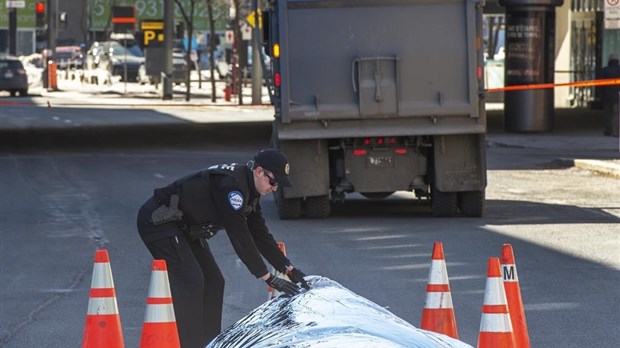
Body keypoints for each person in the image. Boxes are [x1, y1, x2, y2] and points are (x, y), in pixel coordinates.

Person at [136, 149, 310, 348]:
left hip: (185, 228)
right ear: (259, 171)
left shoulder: (249, 192)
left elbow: (259, 233)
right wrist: (267, 277)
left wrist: (288, 267)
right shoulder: (231, 187)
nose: (275, 188)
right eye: (273, 182)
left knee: (214, 281)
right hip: (159, 222)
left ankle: (211, 343)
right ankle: (190, 344)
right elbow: (239, 235)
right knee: (191, 281)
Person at [599, 54, 620, 137]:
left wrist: (600, 95)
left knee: (608, 114)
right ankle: (616, 132)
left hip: (607, 95)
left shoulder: (604, 70)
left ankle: (609, 130)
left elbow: (600, 84)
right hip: (618, 95)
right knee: (617, 114)